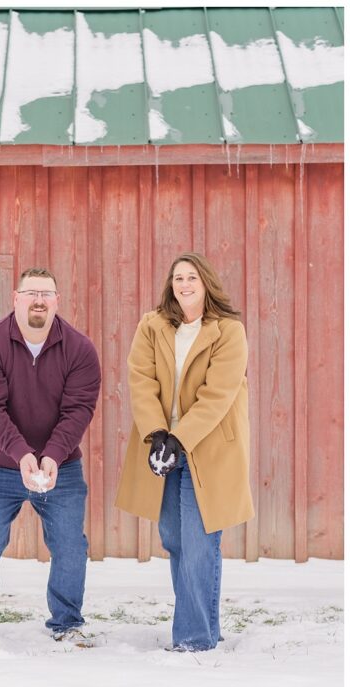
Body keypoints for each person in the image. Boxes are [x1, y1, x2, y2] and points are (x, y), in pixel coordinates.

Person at [0, 267, 101, 646]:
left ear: (57, 302)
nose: (39, 300)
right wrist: (21, 455)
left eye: (47, 294)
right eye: (31, 293)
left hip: (60, 466)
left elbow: (78, 410)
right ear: (15, 298)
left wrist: (51, 456)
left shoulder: (79, 349)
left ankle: (67, 623)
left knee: (70, 543)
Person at [115, 252, 252, 652]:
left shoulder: (228, 330)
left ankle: (194, 637)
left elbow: (218, 394)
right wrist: (159, 433)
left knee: (199, 542)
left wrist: (180, 438)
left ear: (206, 282)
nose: (184, 284)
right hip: (164, 447)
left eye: (192, 277)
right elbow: (141, 380)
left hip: (206, 450)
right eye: (178, 278)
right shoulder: (152, 325)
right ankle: (204, 622)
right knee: (174, 538)